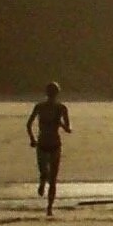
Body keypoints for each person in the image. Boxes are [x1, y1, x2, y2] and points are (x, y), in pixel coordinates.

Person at [26, 81, 70, 215]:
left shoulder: (61, 108)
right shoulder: (40, 107)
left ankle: (49, 207)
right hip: (44, 144)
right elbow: (28, 124)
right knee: (46, 174)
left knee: (53, 178)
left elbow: (68, 128)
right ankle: (42, 183)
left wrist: (60, 124)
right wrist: (32, 139)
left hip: (53, 144)